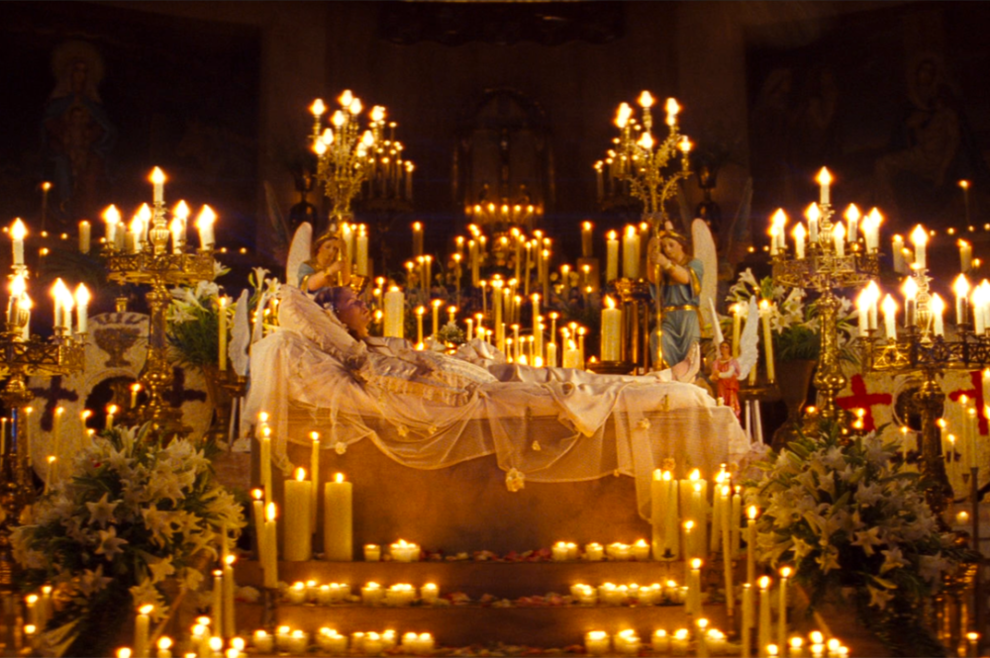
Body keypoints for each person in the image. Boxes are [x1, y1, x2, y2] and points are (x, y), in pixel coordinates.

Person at [647, 226, 703, 379]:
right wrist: (651, 255)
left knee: (690, 351)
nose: (667, 249)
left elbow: (685, 278)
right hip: (669, 316)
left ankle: (689, 381)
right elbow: (654, 280)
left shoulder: (694, 263)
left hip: (687, 316)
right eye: (664, 246)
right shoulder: (663, 266)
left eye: (671, 245)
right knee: (658, 337)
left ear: (681, 245)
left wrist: (665, 263)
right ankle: (668, 378)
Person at [710, 341, 741, 419]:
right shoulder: (716, 362)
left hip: (730, 386)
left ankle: (733, 419)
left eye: (726, 347)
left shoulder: (732, 361)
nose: (724, 349)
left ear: (729, 349)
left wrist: (719, 374)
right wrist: (714, 376)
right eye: (722, 347)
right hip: (721, 386)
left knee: (731, 402)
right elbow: (713, 375)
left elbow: (729, 374)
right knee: (721, 401)